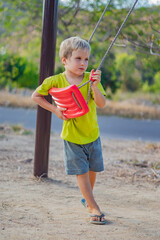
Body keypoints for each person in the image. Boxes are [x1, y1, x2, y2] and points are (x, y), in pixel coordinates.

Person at [32, 36, 106, 224]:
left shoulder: (91, 79)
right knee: (81, 171)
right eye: (78, 58)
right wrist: (55, 110)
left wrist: (95, 86)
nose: (83, 63)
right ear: (64, 60)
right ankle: (93, 206)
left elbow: (102, 104)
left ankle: (87, 199)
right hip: (72, 136)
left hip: (92, 133)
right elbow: (36, 96)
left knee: (92, 169)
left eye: (86, 59)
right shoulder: (55, 80)